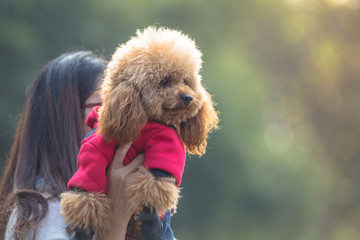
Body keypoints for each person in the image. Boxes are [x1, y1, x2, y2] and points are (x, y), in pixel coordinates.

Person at [0, 51, 174, 240]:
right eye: (107, 104)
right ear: (63, 118)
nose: (129, 114)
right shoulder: (38, 216)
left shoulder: (144, 211)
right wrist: (116, 215)